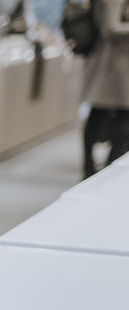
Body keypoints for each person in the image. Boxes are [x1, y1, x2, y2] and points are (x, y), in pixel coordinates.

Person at [82, 0, 129, 177]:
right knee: (114, 115)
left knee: (107, 115)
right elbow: (110, 27)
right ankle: (98, 168)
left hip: (118, 64)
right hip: (111, 64)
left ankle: (98, 168)